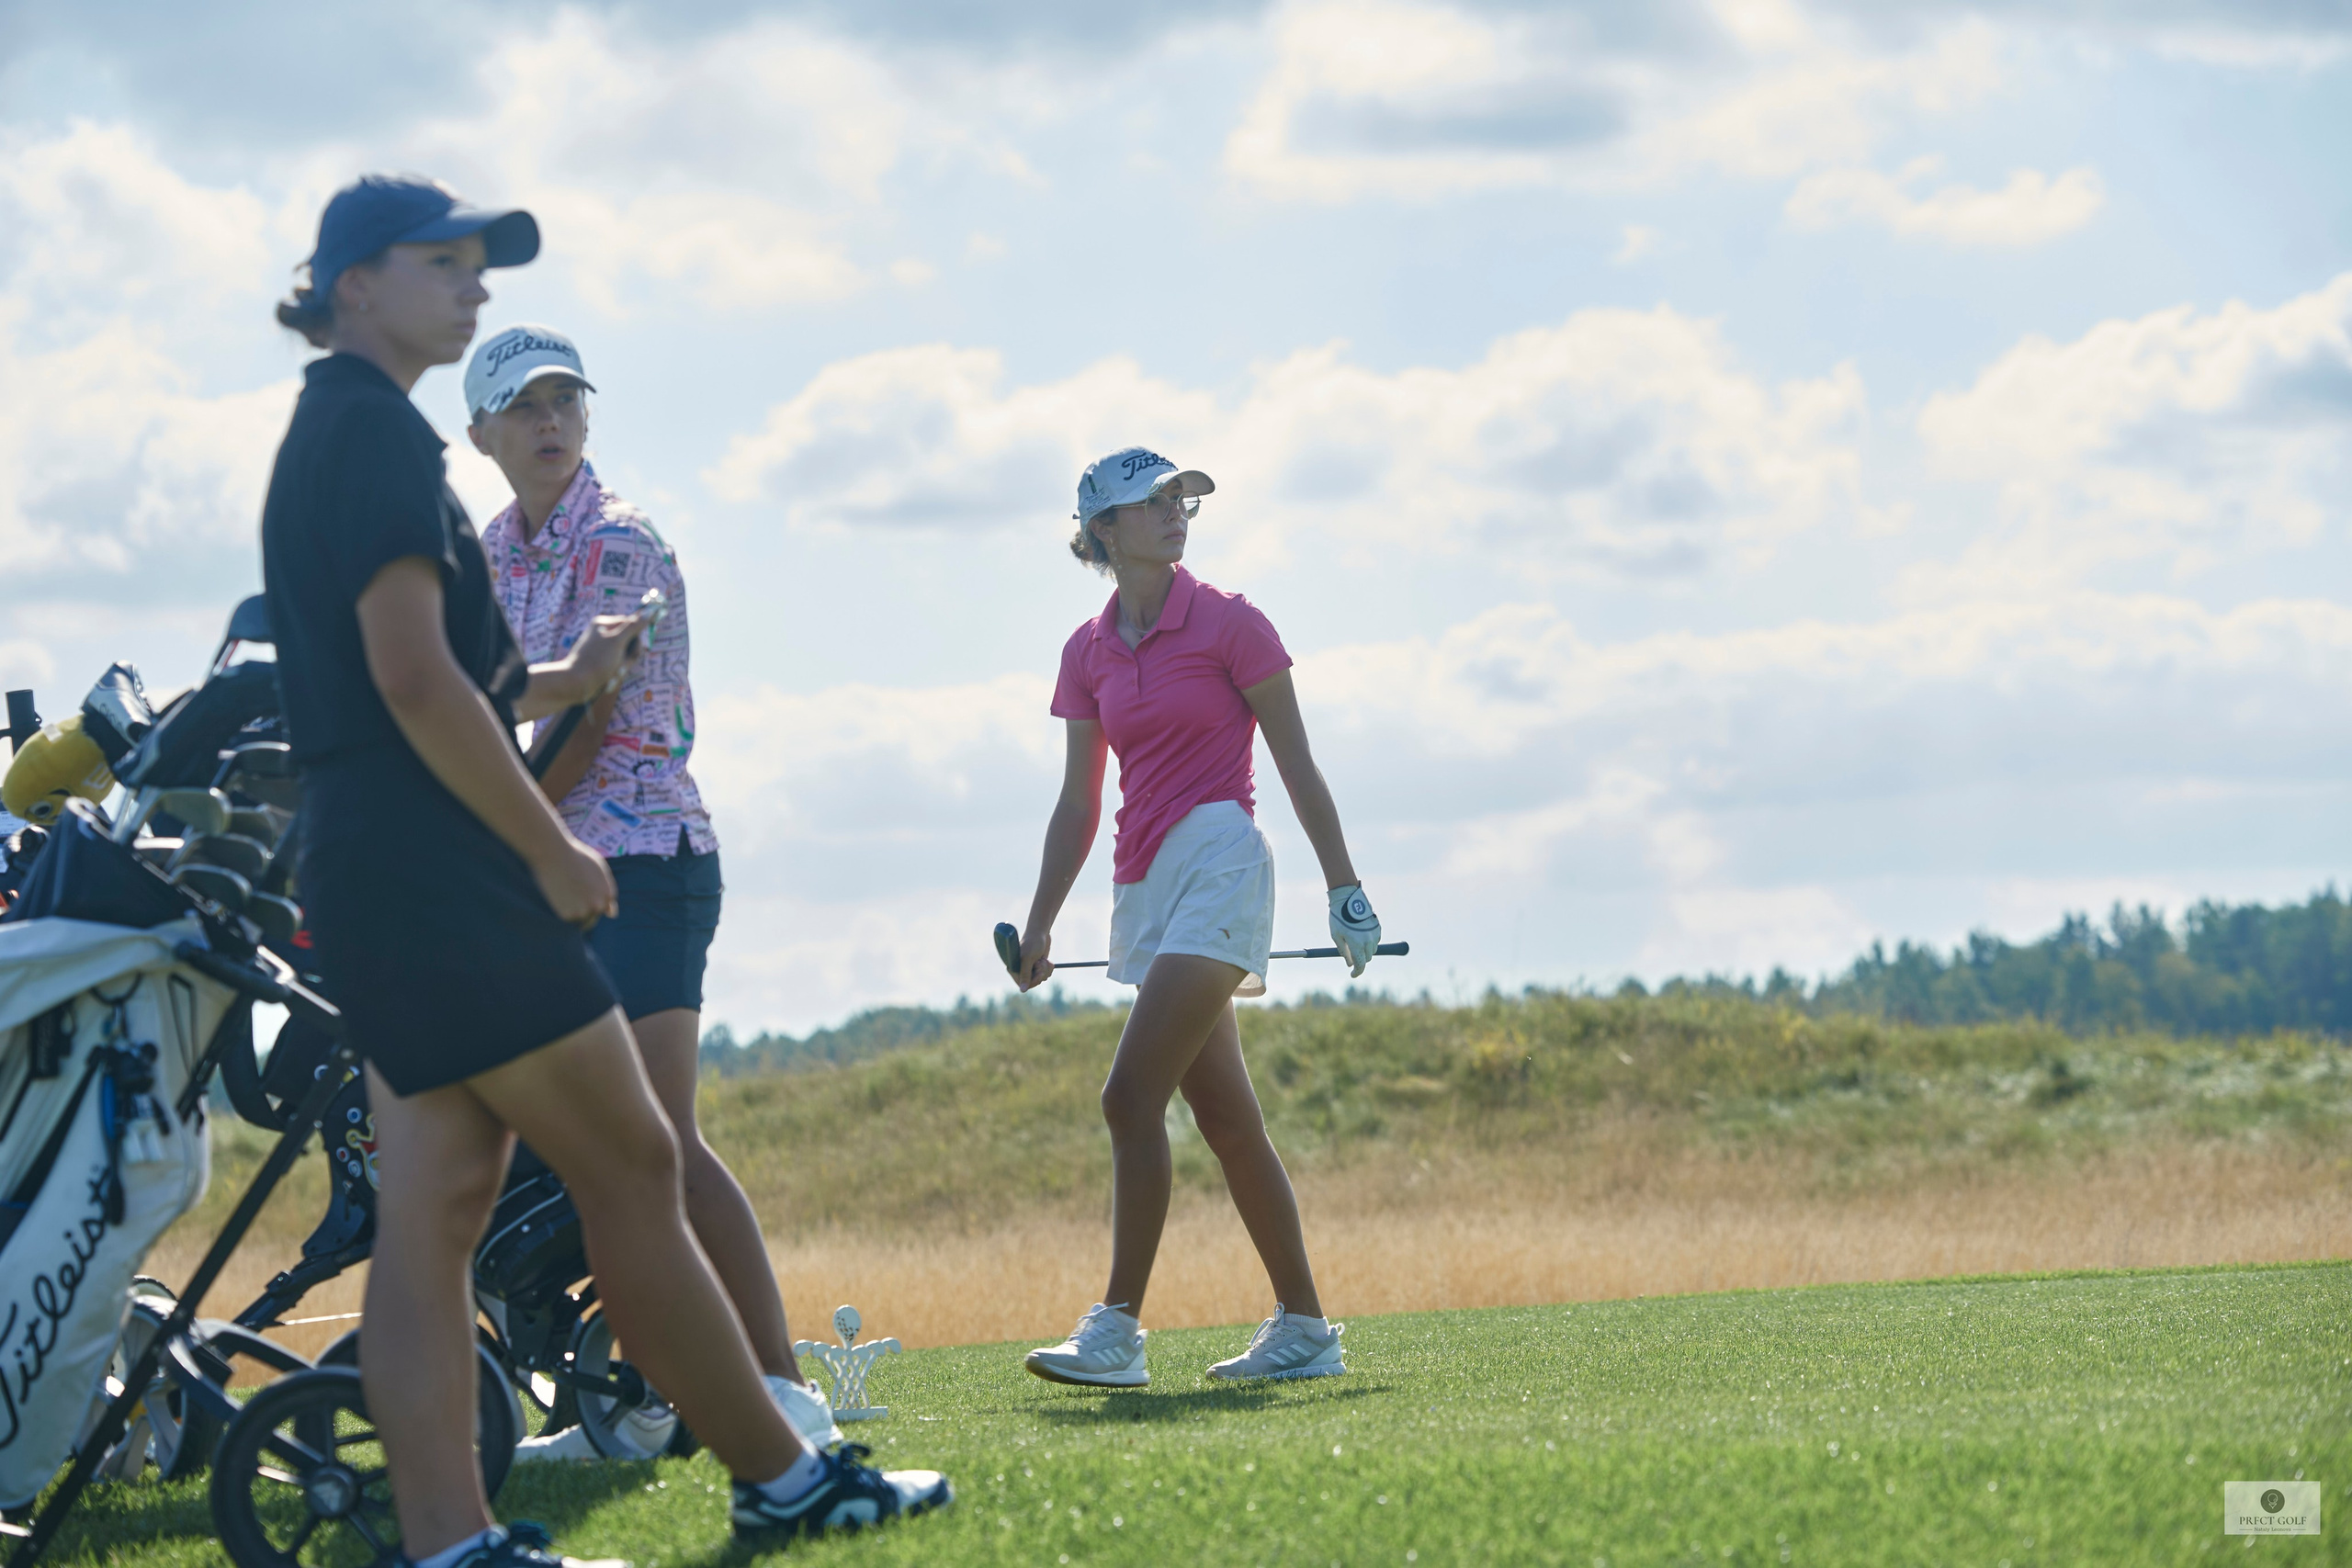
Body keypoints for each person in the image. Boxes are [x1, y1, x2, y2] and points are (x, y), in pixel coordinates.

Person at [259, 175, 949, 1568]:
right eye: (442, 262)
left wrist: (558, 681)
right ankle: (783, 1474)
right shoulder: (383, 441)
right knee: (633, 1154)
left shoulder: (335, 432)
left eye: (482, 265)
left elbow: (464, 670)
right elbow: (412, 675)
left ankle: (452, 1543)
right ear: (352, 288)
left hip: (371, 870)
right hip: (444, 870)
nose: (474, 285)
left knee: (438, 1201)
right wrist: (544, 841)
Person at [463, 323, 838, 1450]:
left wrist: (507, 840)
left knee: (659, 1138)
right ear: (479, 431)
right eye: (523, 407)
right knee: (595, 1150)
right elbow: (471, 705)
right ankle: (618, 1400)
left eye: (564, 403)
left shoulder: (617, 538)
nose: (548, 424)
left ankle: (783, 1390)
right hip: (550, 872)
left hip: (646, 861)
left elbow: (585, 714)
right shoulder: (485, 551)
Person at [1012, 446, 1383, 1386]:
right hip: (1143, 885)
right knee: (1226, 1120)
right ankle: (1305, 1329)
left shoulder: (1230, 624)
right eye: (1152, 501)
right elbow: (1077, 804)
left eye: (1182, 498)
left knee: (1127, 1097)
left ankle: (1116, 1332)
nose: (1176, 511)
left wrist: (1344, 887)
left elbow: (1298, 763)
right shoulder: (1086, 652)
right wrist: (1042, 922)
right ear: (1103, 530)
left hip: (1222, 862)